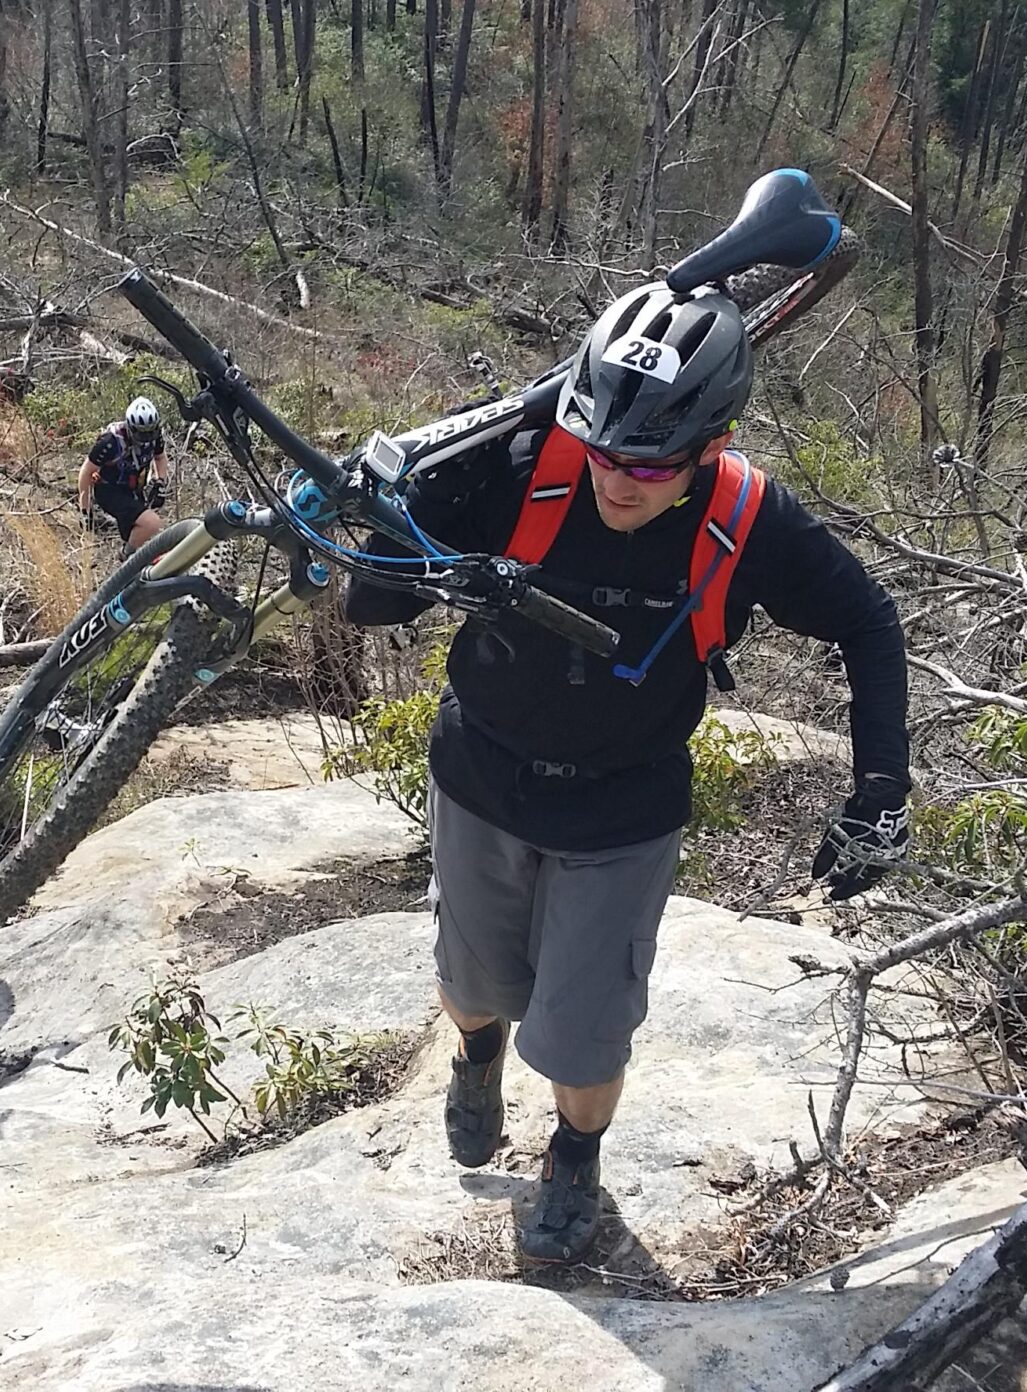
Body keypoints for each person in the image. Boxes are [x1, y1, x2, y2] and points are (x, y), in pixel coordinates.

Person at [343, 279, 912, 1262]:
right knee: (472, 985)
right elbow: (369, 607)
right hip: (482, 775)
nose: (617, 481)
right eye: (604, 452)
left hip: (624, 810)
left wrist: (880, 788)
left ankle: (573, 1153)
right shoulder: (518, 464)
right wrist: (414, 528)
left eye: (649, 466)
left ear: (709, 445)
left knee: (581, 1036)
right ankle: (474, 1057)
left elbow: (867, 622)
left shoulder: (749, 519)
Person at [79, 396, 171, 549]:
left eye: (150, 433)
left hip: (134, 488)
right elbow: (86, 471)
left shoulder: (154, 437)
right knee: (151, 523)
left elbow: (160, 457)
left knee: (137, 536)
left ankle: (132, 563)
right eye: (141, 434)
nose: (146, 439)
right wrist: (85, 510)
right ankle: (127, 558)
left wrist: (160, 481)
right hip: (110, 491)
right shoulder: (110, 442)